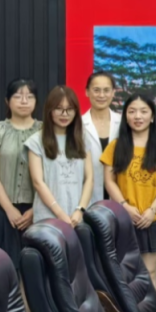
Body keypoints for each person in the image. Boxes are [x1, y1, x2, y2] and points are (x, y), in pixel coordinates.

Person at [102, 94, 156, 287]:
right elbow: (109, 181)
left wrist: (152, 210)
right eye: (132, 111)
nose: (138, 116)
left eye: (144, 111)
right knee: (125, 272)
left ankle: (149, 306)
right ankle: (128, 307)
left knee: (150, 271)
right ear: (126, 116)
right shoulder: (116, 146)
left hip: (153, 217)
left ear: (152, 117)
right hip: (124, 218)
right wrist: (125, 206)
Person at [0, 79, 42, 266]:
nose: (24, 101)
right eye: (17, 96)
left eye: (29, 97)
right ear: (7, 101)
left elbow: (52, 174)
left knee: (33, 267)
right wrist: (9, 209)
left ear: (36, 101)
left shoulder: (45, 131)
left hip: (36, 209)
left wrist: (36, 209)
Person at [27, 86, 98, 226]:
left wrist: (80, 210)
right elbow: (38, 182)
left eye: (70, 109)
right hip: (47, 218)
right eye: (59, 109)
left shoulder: (83, 138)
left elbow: (89, 178)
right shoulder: (36, 141)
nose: (64, 114)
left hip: (79, 218)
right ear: (49, 110)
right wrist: (60, 214)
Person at [82, 71, 121, 200]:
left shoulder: (123, 123)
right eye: (96, 90)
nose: (101, 95)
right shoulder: (78, 125)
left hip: (120, 196)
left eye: (106, 90)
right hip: (87, 196)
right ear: (87, 92)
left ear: (113, 92)